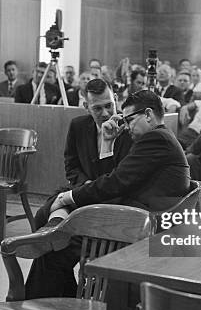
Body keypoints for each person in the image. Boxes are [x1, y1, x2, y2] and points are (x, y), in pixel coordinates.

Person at [0, 90, 190, 310]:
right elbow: (116, 179)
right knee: (57, 240)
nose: (126, 127)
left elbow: (116, 183)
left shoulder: (155, 140)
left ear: (149, 115)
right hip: (136, 225)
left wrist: (69, 196)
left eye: (129, 120)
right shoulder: (160, 139)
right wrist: (107, 146)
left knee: (53, 250)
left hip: (133, 234)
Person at [32, 78, 134, 233]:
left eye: (109, 106)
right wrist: (85, 184)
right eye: (97, 109)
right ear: (86, 107)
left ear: (116, 99)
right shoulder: (78, 126)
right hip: (83, 187)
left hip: (114, 195)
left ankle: (52, 234)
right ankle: (51, 234)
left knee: (59, 204)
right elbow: (71, 166)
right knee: (43, 214)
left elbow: (122, 178)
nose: (105, 113)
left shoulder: (129, 129)